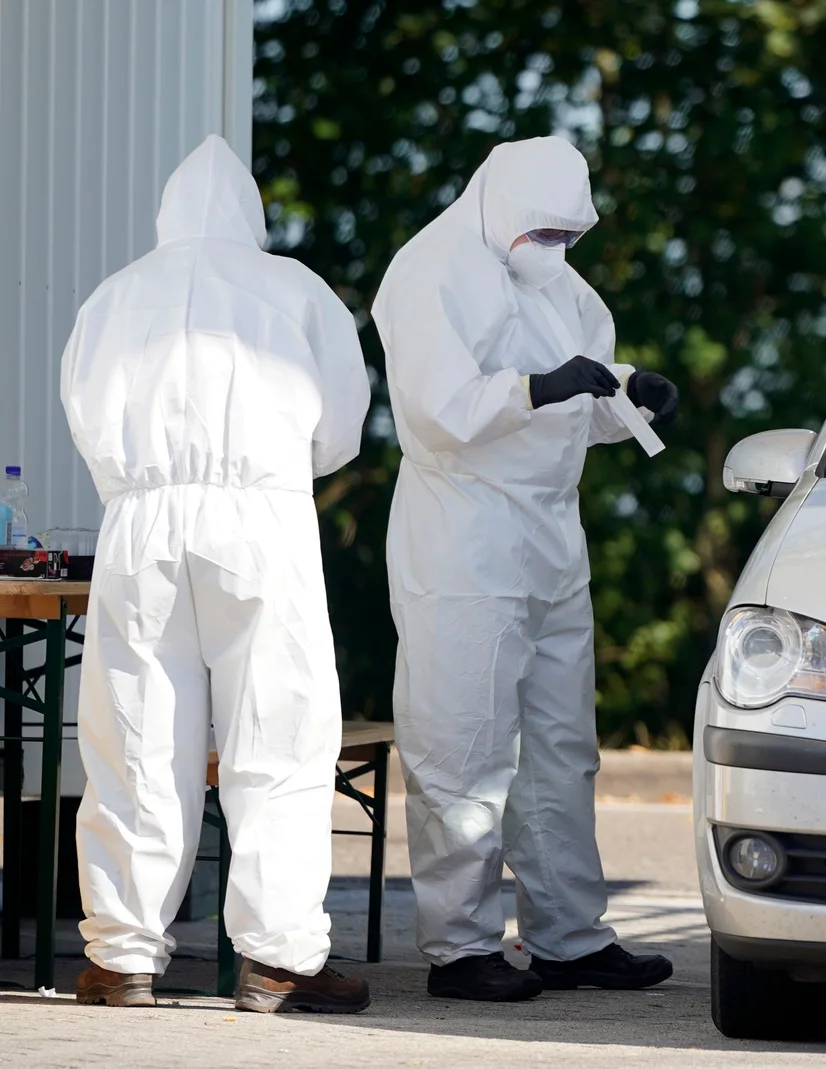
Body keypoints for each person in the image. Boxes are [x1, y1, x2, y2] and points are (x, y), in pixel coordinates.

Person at [59, 135, 372, 1012]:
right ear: (252, 215)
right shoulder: (296, 289)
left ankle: (122, 958)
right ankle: (277, 959)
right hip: (261, 515)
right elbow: (340, 428)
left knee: (135, 736)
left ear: (166, 216)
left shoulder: (114, 296)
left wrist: (140, 482)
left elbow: (85, 416)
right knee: (279, 733)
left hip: (141, 520)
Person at [372, 137, 679, 1002]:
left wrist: (634, 394)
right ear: (499, 204)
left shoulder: (560, 281)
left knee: (559, 746)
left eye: (570, 235)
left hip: (549, 530)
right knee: (461, 740)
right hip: (463, 529)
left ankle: (569, 937)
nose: (557, 248)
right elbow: (436, 412)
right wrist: (534, 389)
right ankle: (461, 946)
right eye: (544, 232)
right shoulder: (430, 268)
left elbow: (587, 397)